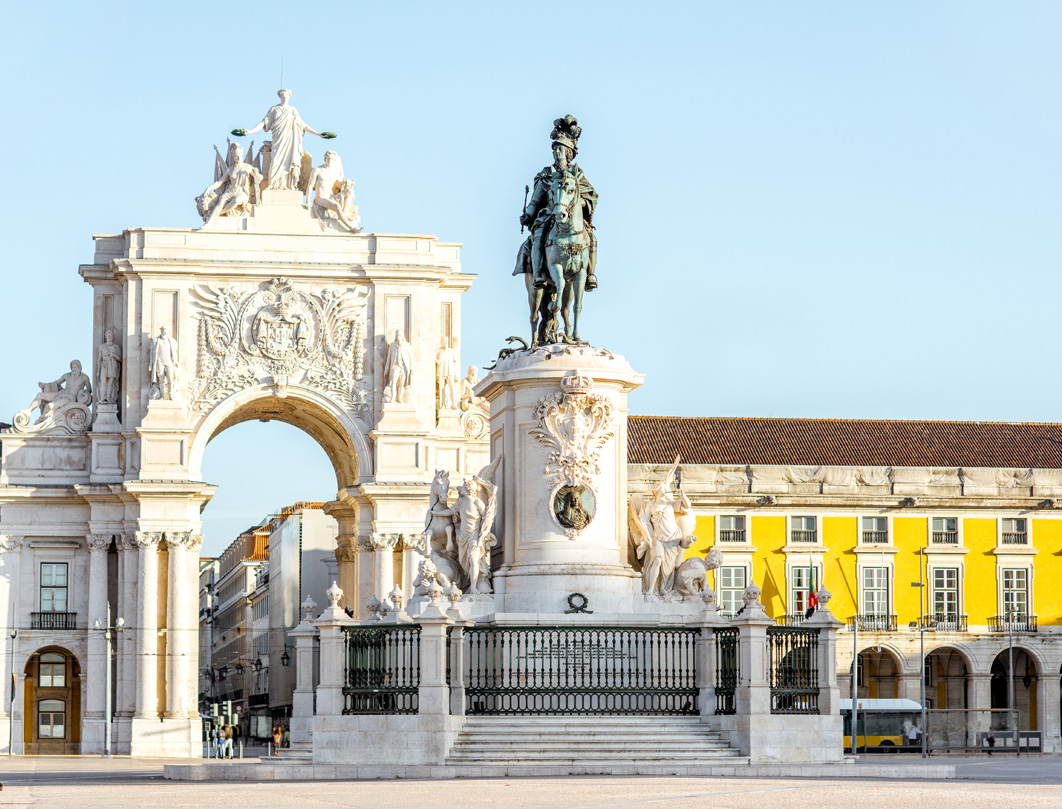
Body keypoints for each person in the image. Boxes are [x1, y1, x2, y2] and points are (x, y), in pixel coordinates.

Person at [514, 115, 598, 291]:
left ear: (568, 152)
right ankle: (538, 273)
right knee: (538, 236)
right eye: (555, 149)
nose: (556, 152)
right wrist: (528, 214)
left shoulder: (577, 175)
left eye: (559, 149)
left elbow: (591, 196)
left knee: (591, 237)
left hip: (572, 217)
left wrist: (580, 204)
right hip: (549, 215)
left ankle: (590, 275)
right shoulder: (546, 174)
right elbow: (536, 200)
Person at [241, 89, 326, 190]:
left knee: (288, 163)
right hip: (278, 140)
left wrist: (317, 133)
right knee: (275, 161)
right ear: (280, 97)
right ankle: (273, 184)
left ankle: (287, 185)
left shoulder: (292, 110)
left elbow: (303, 125)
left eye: (286, 96)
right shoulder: (274, 110)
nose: (285, 98)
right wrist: (250, 131)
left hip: (289, 141)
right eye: (283, 96)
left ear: (289, 97)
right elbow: (263, 123)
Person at [28, 360, 92, 419]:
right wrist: (44, 385)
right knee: (40, 395)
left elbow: (89, 390)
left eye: (75, 367)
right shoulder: (67, 375)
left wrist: (82, 393)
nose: (74, 369)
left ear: (79, 368)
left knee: (49, 406)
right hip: (61, 393)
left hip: (69, 399)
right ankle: (28, 411)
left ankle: (42, 418)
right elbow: (56, 383)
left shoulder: (84, 378)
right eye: (72, 367)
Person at [150, 326, 179, 399]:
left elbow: (174, 352)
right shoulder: (156, 340)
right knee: (161, 380)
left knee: (171, 379)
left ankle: (171, 395)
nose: (164, 332)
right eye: (162, 330)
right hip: (160, 362)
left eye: (165, 331)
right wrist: (151, 363)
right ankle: (162, 396)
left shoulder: (171, 340)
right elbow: (152, 353)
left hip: (169, 361)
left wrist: (175, 361)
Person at [95, 328, 122, 404]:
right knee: (103, 381)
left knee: (110, 382)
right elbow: (99, 359)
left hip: (113, 364)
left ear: (113, 337)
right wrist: (98, 371)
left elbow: (120, 359)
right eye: (107, 336)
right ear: (105, 337)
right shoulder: (102, 346)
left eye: (110, 336)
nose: (109, 337)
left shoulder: (116, 347)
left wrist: (113, 355)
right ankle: (102, 398)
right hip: (104, 364)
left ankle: (108, 398)